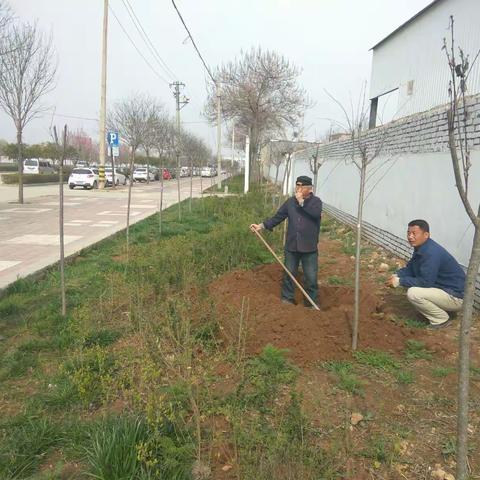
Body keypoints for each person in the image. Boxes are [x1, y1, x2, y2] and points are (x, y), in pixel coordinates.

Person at [250, 175, 322, 307]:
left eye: (301, 187)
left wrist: (302, 202)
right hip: (292, 246)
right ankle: (287, 299)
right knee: (289, 273)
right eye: (297, 186)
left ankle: (311, 303)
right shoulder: (290, 202)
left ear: (310, 189)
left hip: (309, 248)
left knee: (311, 277)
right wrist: (261, 226)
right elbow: (278, 217)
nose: (298, 189)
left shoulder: (316, 202)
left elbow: (315, 214)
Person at [386, 219, 465, 329]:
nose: (410, 237)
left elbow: (425, 282)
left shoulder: (430, 253)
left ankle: (441, 320)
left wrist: (400, 281)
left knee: (413, 292)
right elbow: (411, 269)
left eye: (414, 233)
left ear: (426, 235)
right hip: (445, 290)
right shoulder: (421, 247)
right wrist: (397, 275)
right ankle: (439, 311)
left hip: (456, 297)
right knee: (408, 283)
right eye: (408, 233)